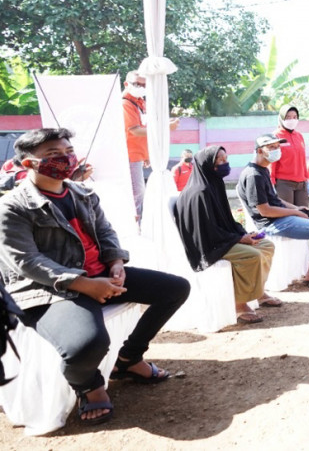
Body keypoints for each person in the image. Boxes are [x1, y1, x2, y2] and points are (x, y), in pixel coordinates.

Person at [0, 128, 190, 424]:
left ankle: (129, 358)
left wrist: (116, 263)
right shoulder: (13, 206)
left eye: (67, 151)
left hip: (100, 274)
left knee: (175, 289)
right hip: (51, 289)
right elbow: (25, 261)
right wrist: (84, 284)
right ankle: (89, 385)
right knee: (86, 346)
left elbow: (105, 232)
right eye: (53, 155)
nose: (65, 158)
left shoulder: (81, 192)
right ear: (28, 164)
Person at [173, 146, 280, 324]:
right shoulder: (200, 192)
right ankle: (239, 305)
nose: (225, 164)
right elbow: (206, 231)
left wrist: (244, 234)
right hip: (209, 246)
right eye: (220, 161)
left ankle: (258, 292)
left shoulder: (214, 184)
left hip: (223, 238)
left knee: (267, 246)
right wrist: (238, 239)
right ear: (208, 165)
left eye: (226, 159)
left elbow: (226, 221)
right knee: (251, 256)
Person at [236, 134, 309, 290]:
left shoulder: (262, 170)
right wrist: (294, 213)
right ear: (259, 151)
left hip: (282, 216)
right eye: (271, 147)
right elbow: (265, 211)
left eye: (277, 147)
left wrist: (296, 208)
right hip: (271, 223)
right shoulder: (253, 175)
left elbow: (276, 199)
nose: (276, 150)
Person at [122, 71, 179, 219]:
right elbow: (134, 130)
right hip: (130, 155)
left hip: (138, 155)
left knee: (139, 192)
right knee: (137, 193)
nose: (140, 87)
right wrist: (165, 128)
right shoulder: (126, 103)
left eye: (144, 84)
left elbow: (145, 127)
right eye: (136, 84)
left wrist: (147, 153)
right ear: (126, 84)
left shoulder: (140, 101)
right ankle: (137, 225)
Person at [270, 106, 309, 208]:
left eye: (295, 117)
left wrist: (306, 179)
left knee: (304, 214)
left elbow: (302, 159)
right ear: (282, 118)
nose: (292, 120)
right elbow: (272, 162)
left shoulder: (299, 136)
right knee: (288, 215)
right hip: (284, 183)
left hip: (301, 183)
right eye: (288, 117)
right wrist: (271, 183)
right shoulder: (275, 136)